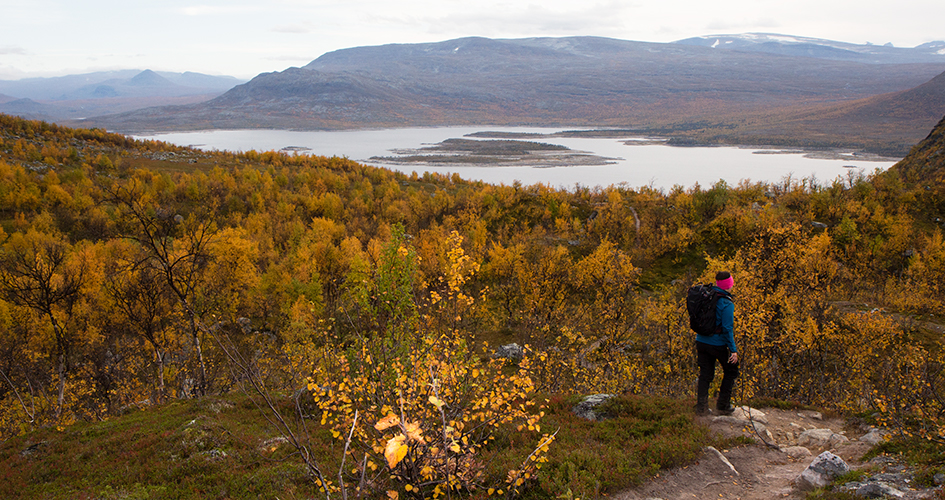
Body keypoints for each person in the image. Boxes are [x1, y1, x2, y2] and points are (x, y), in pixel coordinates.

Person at [695, 271, 738, 416]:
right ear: (728, 285)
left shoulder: (706, 296)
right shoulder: (726, 302)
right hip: (717, 343)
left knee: (705, 374)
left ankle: (701, 408)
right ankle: (723, 405)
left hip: (701, 340)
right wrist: (733, 350)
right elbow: (727, 328)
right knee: (731, 371)